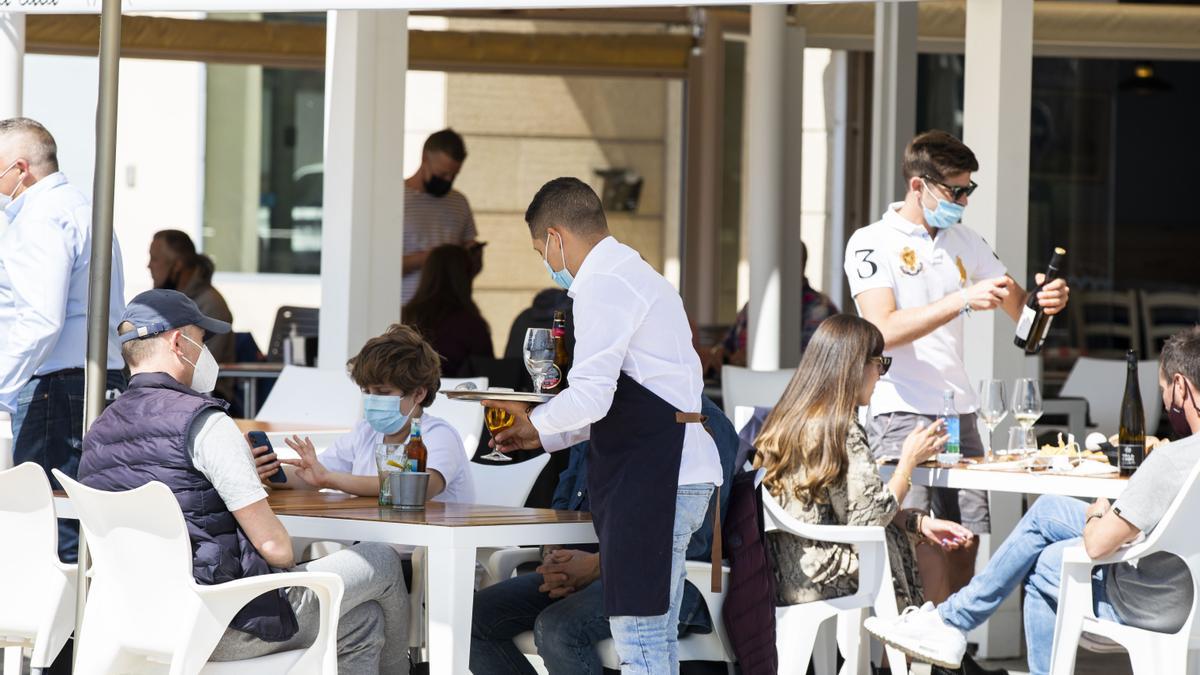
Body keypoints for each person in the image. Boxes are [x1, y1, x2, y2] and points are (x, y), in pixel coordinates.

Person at [77, 289, 408, 673]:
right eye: (202, 342)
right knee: (381, 559)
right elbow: (276, 548)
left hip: (136, 619)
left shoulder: (98, 430)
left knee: (362, 620)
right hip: (223, 621)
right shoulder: (205, 424)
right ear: (179, 342)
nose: (206, 354)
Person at [485, 177, 725, 673]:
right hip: (668, 470)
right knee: (650, 644)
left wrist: (536, 426)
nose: (548, 265)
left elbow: (592, 397)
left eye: (541, 251)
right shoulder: (636, 274)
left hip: (655, 476)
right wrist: (543, 430)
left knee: (640, 644)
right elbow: (614, 403)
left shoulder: (602, 284)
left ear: (556, 237)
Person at [867, 326, 1200, 675]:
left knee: (1046, 563)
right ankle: (950, 621)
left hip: (1151, 603)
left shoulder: (1170, 460)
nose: (1165, 403)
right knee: (1048, 509)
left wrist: (1097, 514)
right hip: (1185, 591)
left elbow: (1097, 545)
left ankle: (951, 622)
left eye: (1163, 391)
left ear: (1180, 386)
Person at [844, 130, 1070, 596]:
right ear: (918, 185)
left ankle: (950, 650)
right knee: (916, 537)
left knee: (963, 538)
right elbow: (880, 330)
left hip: (959, 409)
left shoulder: (967, 240)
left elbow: (1025, 324)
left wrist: (1047, 303)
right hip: (901, 407)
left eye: (970, 189)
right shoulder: (871, 242)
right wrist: (960, 300)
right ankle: (911, 659)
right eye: (956, 190)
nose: (964, 200)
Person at [753, 315, 1006, 675]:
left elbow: (845, 505)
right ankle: (920, 664)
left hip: (785, 564)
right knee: (929, 556)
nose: (881, 375)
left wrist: (917, 521)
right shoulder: (839, 427)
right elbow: (868, 518)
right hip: (822, 570)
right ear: (855, 366)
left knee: (923, 541)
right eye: (880, 364)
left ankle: (931, 662)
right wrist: (908, 462)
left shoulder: (791, 416)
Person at [471, 396, 737, 675]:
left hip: (664, 583)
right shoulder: (599, 411)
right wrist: (554, 559)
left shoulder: (703, 423)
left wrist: (595, 566)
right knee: (473, 619)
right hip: (579, 574)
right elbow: (564, 500)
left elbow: (694, 541)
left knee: (557, 629)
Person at [0, 117, 127, 565]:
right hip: (94, 378)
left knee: (50, 526)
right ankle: (78, 633)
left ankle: (61, 637)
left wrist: (1, 386)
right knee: (79, 519)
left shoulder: (40, 217)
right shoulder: (83, 208)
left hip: (55, 386)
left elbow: (38, 320)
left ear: (20, 168)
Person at [256, 323, 475, 504]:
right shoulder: (365, 432)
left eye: (383, 392)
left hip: (425, 554)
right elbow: (311, 477)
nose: (372, 399)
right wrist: (267, 472)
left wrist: (329, 479)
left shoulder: (439, 435)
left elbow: (419, 487)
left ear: (418, 394)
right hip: (371, 542)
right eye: (366, 391)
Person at [709, 241, 838, 371]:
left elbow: (809, 363)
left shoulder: (819, 309)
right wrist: (719, 352)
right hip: (736, 383)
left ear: (801, 265)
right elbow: (727, 343)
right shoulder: (752, 306)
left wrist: (752, 358)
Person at [402, 128, 479, 306]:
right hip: (405, 308)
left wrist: (471, 257)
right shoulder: (396, 199)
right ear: (424, 159)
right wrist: (433, 258)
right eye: (442, 174)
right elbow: (380, 265)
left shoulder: (459, 202)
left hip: (449, 310)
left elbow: (471, 265)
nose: (447, 179)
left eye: (454, 175)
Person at [148, 229, 236, 366]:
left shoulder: (210, 305)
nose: (149, 265)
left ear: (177, 265)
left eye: (154, 259)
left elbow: (199, 367)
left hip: (201, 386)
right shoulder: (165, 302)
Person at [402, 244, 493, 377]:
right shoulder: (471, 324)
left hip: (414, 393)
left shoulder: (407, 316)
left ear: (427, 272)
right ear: (465, 277)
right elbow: (488, 371)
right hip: (458, 395)